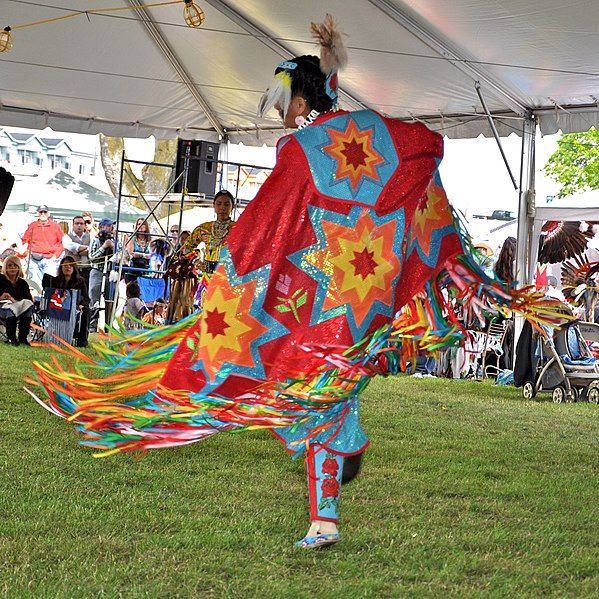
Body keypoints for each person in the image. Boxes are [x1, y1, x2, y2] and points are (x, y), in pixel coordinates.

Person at [31, 16, 564, 550]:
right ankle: (338, 472)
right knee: (317, 398)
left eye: (282, 98)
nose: (279, 110)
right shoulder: (364, 133)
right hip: (359, 303)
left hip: (316, 307)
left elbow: (268, 225)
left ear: (300, 101)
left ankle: (329, 502)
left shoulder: (301, 151)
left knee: (305, 399)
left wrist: (234, 276)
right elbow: (416, 153)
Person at [48, 255, 90, 347]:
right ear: (61, 267)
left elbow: (86, 298)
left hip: (76, 307)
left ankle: (82, 340)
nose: (68, 267)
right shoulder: (55, 280)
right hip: (59, 305)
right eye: (65, 265)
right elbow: (51, 296)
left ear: (74, 268)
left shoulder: (80, 281)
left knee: (86, 311)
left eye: (70, 265)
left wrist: (81, 305)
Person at [20, 205, 64, 289]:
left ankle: (49, 301)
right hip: (33, 259)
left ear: (48, 213)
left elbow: (62, 242)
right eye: (41, 212)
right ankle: (37, 301)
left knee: (50, 285)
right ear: (38, 213)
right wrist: (26, 253)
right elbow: (24, 241)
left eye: (45, 212)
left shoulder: (55, 226)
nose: (43, 214)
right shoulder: (32, 225)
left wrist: (55, 255)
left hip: (49, 260)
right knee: (35, 286)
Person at [88, 218, 115, 332]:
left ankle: (108, 326)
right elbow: (92, 258)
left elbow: (120, 256)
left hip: (110, 273)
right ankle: (92, 326)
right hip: (97, 271)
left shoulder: (115, 241)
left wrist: (112, 246)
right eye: (108, 226)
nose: (111, 228)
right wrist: (103, 247)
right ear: (102, 227)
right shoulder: (95, 240)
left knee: (110, 299)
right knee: (94, 298)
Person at [0, 255, 34, 345]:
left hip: (19, 308)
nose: (12, 268)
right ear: (5, 267)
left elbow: (29, 301)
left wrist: (14, 300)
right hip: (2, 308)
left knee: (28, 308)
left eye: (15, 266)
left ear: (19, 267)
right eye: (9, 265)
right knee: (11, 310)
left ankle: (23, 338)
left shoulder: (23, 283)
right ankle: (12, 338)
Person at [62, 215, 91, 287]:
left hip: (86, 269)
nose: (79, 225)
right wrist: (87, 248)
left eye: (81, 224)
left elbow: (94, 249)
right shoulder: (66, 237)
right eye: (77, 223)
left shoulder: (90, 236)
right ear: (73, 225)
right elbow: (71, 246)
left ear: (84, 225)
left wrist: (80, 250)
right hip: (71, 270)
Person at [125, 218, 151, 282]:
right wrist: (144, 255)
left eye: (143, 224)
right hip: (133, 268)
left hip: (146, 269)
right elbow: (130, 253)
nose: (141, 225)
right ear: (136, 226)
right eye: (139, 224)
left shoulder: (150, 239)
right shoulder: (132, 238)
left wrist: (140, 254)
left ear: (146, 227)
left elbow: (152, 255)